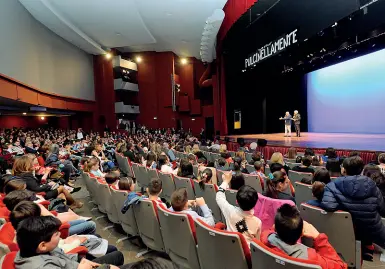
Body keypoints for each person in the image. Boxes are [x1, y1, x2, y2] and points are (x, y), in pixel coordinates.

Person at [322, 156, 385, 249]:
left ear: (344, 170)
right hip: (371, 231)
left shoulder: (332, 185)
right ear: (361, 170)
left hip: (345, 230)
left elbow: (329, 205)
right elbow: (382, 210)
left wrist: (346, 208)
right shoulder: (372, 185)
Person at [14, 216, 123, 269]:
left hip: (77, 265)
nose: (60, 235)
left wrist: (88, 263)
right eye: (56, 235)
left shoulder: (35, 249)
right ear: (42, 245)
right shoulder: (41, 267)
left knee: (117, 255)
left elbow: (65, 257)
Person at [261, 204, 346, 269]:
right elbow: (341, 266)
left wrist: (273, 229)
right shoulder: (311, 257)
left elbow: (268, 232)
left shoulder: (265, 238)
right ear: (302, 233)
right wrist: (318, 237)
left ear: (275, 228)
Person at [216, 170, 262, 245]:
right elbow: (257, 244)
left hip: (229, 246)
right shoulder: (257, 222)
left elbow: (219, 196)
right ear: (255, 203)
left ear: (236, 201)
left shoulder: (230, 211)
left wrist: (225, 181)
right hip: (246, 254)